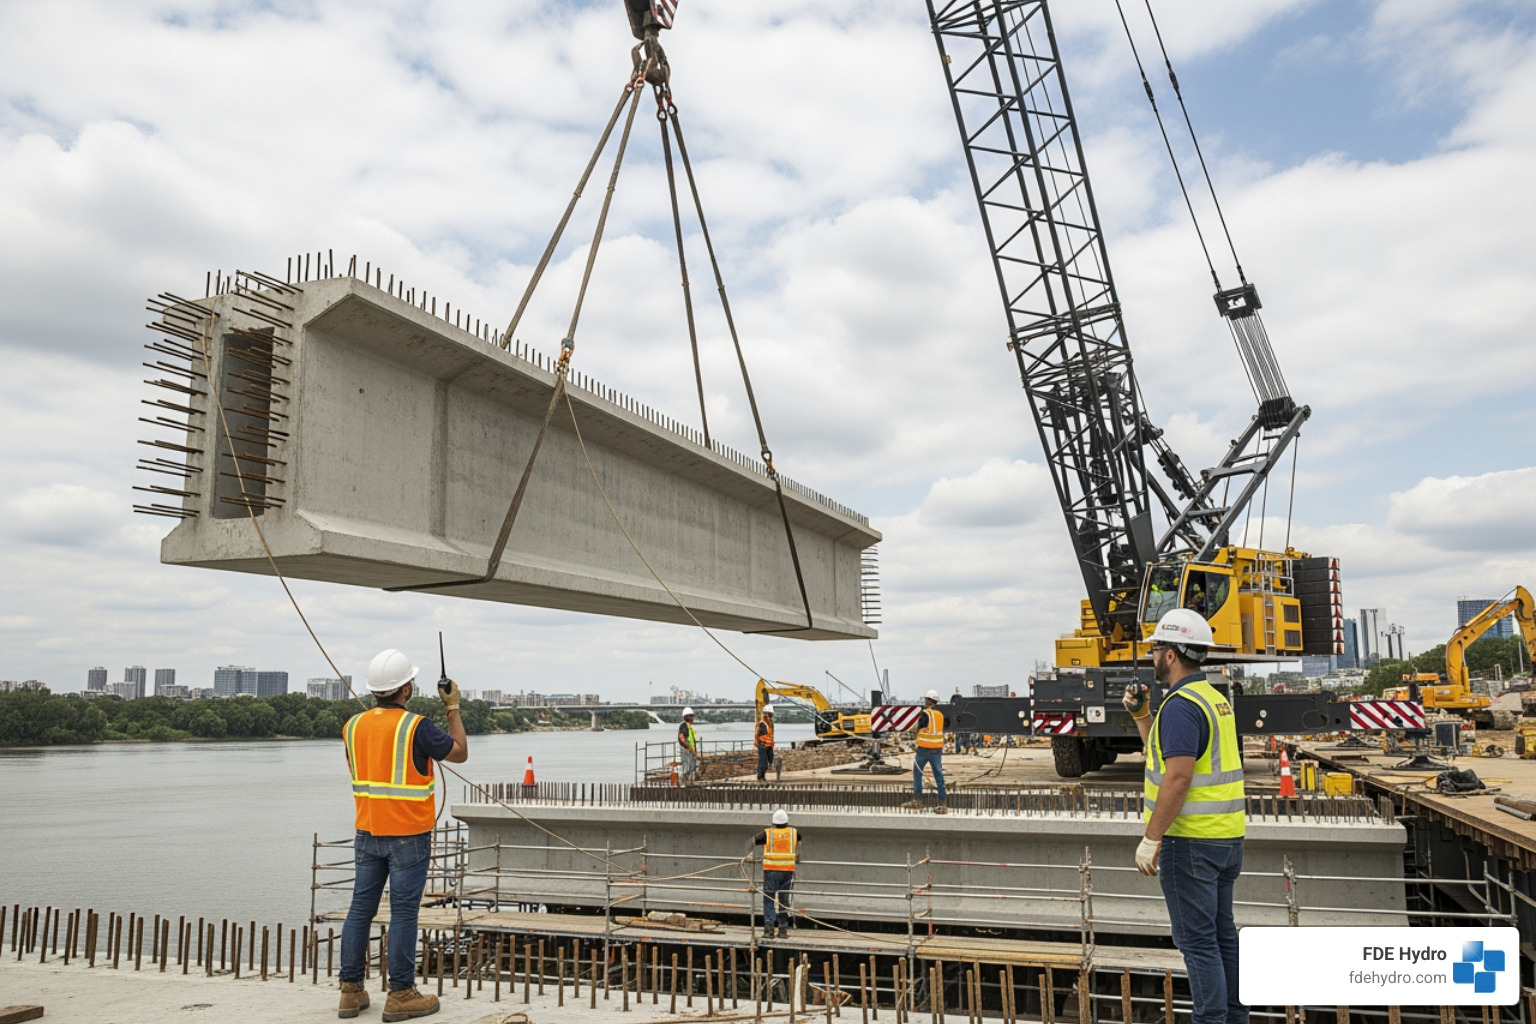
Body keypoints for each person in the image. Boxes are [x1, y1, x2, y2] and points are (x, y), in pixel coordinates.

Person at [1123, 609, 1246, 1024]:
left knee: (1197, 942)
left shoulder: (1180, 705)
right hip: (1226, 839)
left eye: (1156, 647)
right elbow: (1167, 752)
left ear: (1172, 654)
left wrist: (1152, 837)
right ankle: (1233, 1017)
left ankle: (1211, 1020)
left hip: (1190, 842)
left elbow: (1177, 776)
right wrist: (1142, 716)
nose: (1152, 654)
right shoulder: (1212, 698)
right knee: (1222, 936)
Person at [338, 649, 467, 1022]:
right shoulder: (417, 727)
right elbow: (459, 753)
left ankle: (350, 992)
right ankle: (401, 994)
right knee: (404, 913)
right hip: (408, 834)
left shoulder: (352, 725)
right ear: (406, 688)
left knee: (360, 909)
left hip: (367, 831)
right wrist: (453, 707)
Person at [752, 809, 800, 938]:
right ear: (786, 822)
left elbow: (754, 841)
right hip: (788, 871)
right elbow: (798, 852)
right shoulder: (794, 833)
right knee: (784, 901)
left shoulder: (767, 833)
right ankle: (783, 929)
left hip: (771, 871)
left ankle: (769, 929)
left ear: (773, 822)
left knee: (769, 899)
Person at [908, 689, 947, 813]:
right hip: (936, 749)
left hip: (924, 749)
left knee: (918, 774)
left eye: (926, 699)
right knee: (939, 776)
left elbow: (918, 727)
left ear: (929, 700)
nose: (924, 701)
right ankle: (942, 803)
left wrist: (911, 733)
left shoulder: (925, 714)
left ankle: (918, 801)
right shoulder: (940, 715)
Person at [678, 707, 699, 783]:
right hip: (686, 750)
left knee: (692, 767)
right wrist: (689, 748)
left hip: (690, 751)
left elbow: (692, 740)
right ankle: (683, 782)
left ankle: (689, 782)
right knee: (686, 767)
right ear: (688, 717)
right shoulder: (683, 726)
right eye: (692, 716)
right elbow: (682, 738)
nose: (693, 718)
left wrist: (694, 750)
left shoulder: (689, 727)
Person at [755, 706, 775, 782]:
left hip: (769, 745)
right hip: (763, 745)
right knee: (763, 762)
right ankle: (760, 777)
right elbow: (761, 736)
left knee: (769, 760)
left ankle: (762, 776)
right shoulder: (762, 724)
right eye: (770, 715)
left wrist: (771, 744)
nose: (771, 717)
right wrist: (767, 742)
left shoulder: (769, 724)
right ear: (766, 714)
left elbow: (770, 735)